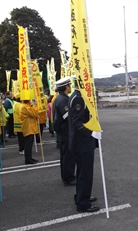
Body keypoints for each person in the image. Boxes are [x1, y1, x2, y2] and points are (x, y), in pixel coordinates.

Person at [68, 79, 99, 213]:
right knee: (85, 173)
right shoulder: (79, 99)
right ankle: (83, 203)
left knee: (82, 173)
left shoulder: (76, 96)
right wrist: (92, 133)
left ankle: (81, 196)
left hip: (80, 143)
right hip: (82, 143)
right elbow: (77, 123)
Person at [53, 77, 76, 186]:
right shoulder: (63, 100)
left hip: (62, 132)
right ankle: (69, 178)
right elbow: (67, 116)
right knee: (68, 156)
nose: (70, 87)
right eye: (69, 85)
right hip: (65, 132)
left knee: (65, 156)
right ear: (66, 87)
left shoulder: (60, 98)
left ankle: (66, 176)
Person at [19, 100, 39, 164]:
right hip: (28, 128)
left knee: (29, 144)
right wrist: (35, 105)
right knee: (28, 144)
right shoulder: (24, 107)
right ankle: (28, 159)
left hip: (29, 127)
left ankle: (29, 158)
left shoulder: (26, 106)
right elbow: (33, 113)